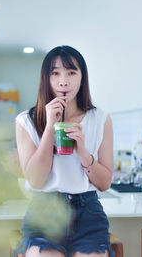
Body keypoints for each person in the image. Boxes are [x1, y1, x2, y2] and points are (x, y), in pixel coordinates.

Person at [13, 46, 114, 257]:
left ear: (82, 77)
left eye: (71, 72)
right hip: (44, 213)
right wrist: (50, 127)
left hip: (88, 213)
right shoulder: (26, 121)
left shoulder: (100, 119)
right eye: (55, 73)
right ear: (46, 78)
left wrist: (84, 154)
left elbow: (104, 183)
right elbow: (36, 180)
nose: (63, 81)